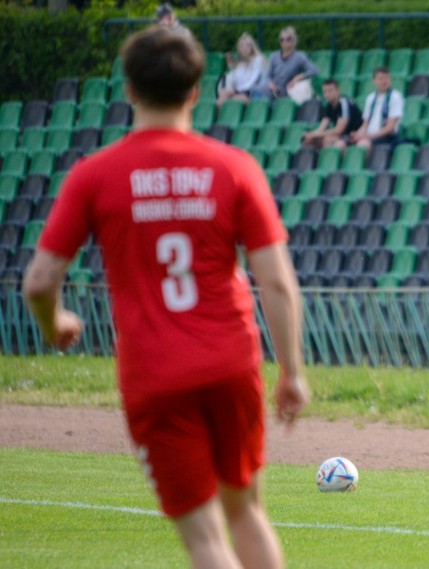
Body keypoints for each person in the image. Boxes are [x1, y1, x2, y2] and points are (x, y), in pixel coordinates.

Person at [22, 26, 309, 569]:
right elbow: (276, 281)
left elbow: (38, 281)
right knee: (247, 512)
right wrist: (291, 371)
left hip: (156, 376)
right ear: (197, 92)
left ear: (128, 90)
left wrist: (53, 321)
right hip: (231, 365)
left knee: (205, 540)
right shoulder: (234, 168)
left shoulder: (94, 176)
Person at [251, 26, 318, 102]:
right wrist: (270, 84)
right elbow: (267, 76)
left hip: (285, 90)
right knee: (255, 89)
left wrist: (298, 78)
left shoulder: (299, 56)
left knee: (263, 93)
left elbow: (314, 70)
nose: (284, 42)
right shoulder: (274, 56)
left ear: (294, 40)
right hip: (272, 88)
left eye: (288, 39)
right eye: (282, 40)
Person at [348, 67, 405, 155]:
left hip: (386, 137)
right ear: (374, 81)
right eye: (381, 78)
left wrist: (366, 136)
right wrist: (357, 135)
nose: (384, 81)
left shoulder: (395, 96)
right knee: (341, 143)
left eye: (386, 78)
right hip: (369, 136)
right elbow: (365, 124)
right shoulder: (370, 98)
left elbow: (390, 128)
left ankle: (361, 167)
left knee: (363, 144)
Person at [301, 78, 363, 150]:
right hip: (343, 135)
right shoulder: (329, 106)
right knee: (310, 141)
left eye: (330, 91)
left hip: (355, 133)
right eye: (325, 92)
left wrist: (314, 134)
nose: (327, 94)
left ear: (338, 90)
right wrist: (311, 135)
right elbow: (322, 127)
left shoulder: (344, 103)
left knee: (328, 140)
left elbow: (339, 130)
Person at [216, 33, 266, 107]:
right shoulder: (240, 64)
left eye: (247, 45)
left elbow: (251, 82)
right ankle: (217, 117)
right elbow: (233, 84)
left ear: (252, 48)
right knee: (223, 93)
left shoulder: (258, 60)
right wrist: (233, 70)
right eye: (242, 46)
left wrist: (236, 92)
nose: (244, 48)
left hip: (252, 94)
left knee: (232, 100)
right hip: (239, 92)